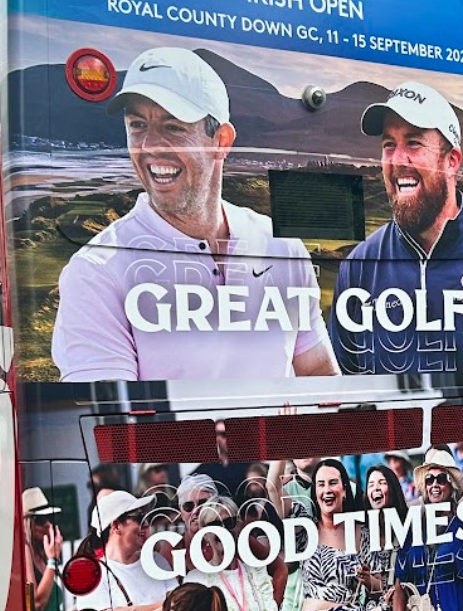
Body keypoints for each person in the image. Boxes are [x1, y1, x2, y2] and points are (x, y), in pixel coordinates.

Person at [52, 46, 339, 382]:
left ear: (221, 140)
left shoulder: (282, 246)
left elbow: (319, 373)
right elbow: (111, 419)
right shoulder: (96, 272)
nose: (150, 146)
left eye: (173, 127)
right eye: (137, 125)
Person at [329, 80, 463, 381]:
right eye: (388, 145)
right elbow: (341, 389)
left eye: (413, 143)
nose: (397, 159)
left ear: (451, 161)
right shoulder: (359, 267)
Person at [390, 448, 463, 611]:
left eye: (441, 479)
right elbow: (400, 579)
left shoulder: (462, 524)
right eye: (429, 480)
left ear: (451, 485)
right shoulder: (414, 525)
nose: (435, 484)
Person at [182, 494, 279, 611]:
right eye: (215, 525)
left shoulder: (255, 569)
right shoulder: (197, 580)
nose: (223, 530)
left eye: (229, 523)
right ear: (204, 533)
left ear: (238, 525)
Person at [294, 459, 375, 611]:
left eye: (333, 483)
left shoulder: (363, 532)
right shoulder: (305, 530)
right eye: (321, 484)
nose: (327, 490)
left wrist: (367, 579)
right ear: (315, 494)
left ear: (345, 490)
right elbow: (272, 490)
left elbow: (381, 585)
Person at [362, 464, 410, 611]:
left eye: (382, 482)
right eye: (371, 484)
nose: (376, 488)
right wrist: (371, 582)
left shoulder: (406, 528)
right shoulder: (361, 533)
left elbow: (406, 576)